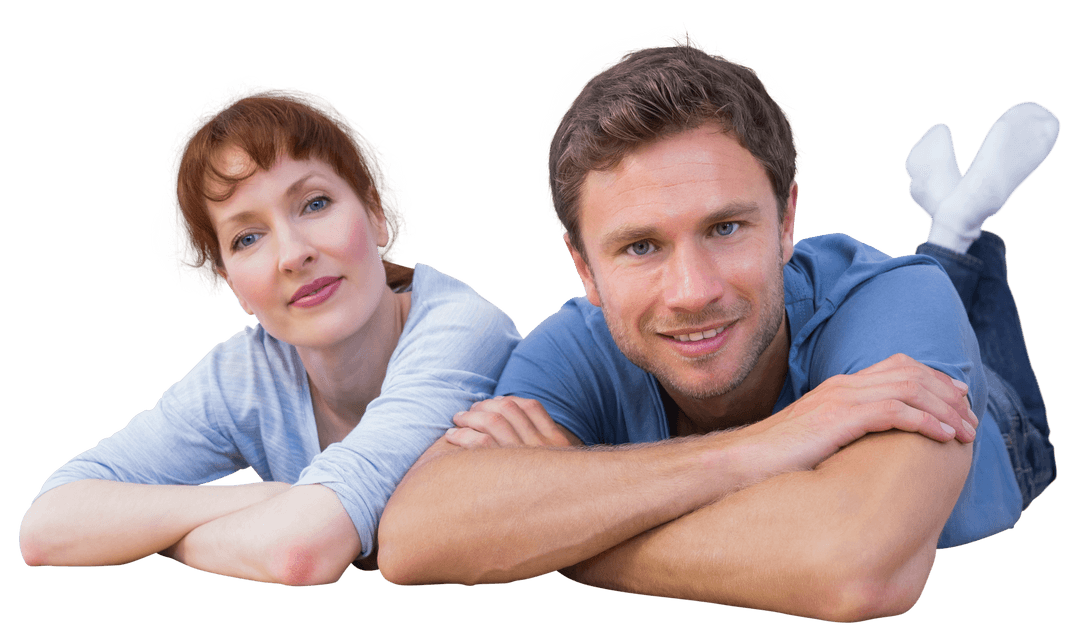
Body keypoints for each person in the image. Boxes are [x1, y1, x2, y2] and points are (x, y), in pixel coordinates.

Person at [376, 29, 1057, 621]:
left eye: (726, 227)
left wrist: (557, 533)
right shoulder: (577, 346)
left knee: (945, 277)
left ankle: (956, 230)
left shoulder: (895, 305)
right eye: (640, 247)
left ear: (787, 221)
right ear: (583, 265)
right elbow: (413, 537)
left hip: (1003, 433)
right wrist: (765, 444)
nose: (692, 292)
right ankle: (948, 215)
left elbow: (854, 568)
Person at [17, 79, 520, 585]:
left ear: (375, 215)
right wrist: (264, 498)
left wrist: (153, 533)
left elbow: (300, 553)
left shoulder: (462, 331)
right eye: (248, 237)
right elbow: (46, 527)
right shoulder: (250, 372)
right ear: (230, 281)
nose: (292, 253)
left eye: (316, 203)